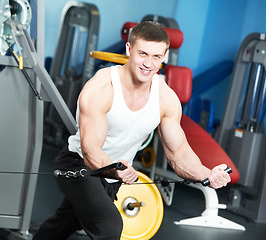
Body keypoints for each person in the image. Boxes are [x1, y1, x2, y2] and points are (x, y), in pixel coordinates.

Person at [33, 21, 231, 240]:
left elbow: (179, 154)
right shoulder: (102, 88)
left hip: (114, 174)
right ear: (129, 50)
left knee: (64, 223)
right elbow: (90, 150)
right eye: (143, 54)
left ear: (164, 56)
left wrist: (207, 174)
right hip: (79, 165)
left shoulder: (166, 98)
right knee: (109, 226)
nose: (149, 63)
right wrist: (115, 169)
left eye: (157, 57)